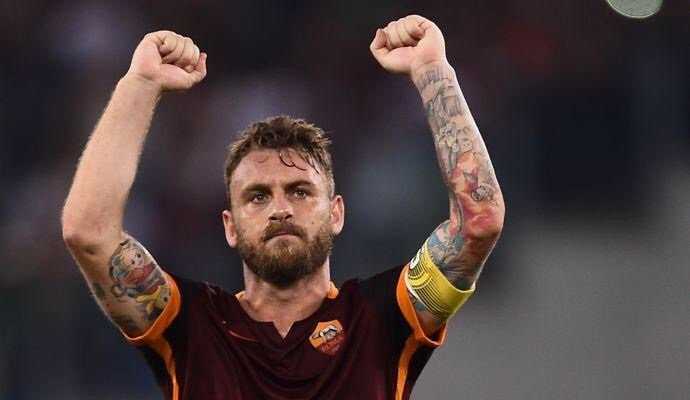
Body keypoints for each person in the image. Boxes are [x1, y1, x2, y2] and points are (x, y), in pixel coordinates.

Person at [62, 14, 504, 400]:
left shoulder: (382, 317)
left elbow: (478, 221)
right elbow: (89, 232)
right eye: (258, 196)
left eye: (300, 191)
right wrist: (139, 84)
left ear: (336, 213)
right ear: (230, 226)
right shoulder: (191, 326)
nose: (280, 209)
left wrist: (432, 70)